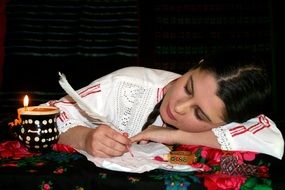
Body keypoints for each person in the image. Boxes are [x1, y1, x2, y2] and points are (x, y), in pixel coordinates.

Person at [43, 49, 284, 159]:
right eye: (188, 87)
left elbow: (271, 139)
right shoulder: (126, 85)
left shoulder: (237, 118)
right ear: (196, 65)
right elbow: (46, 115)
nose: (179, 107)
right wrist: (85, 137)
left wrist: (175, 135)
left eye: (199, 114)